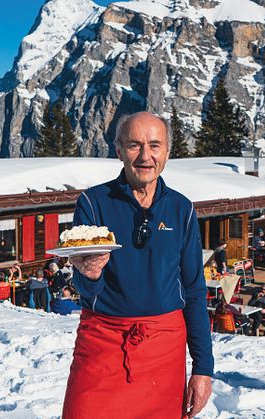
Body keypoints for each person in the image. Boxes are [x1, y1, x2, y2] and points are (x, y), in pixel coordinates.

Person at [62, 112, 212, 418]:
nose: (146, 156)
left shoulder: (181, 208)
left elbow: (194, 291)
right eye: (134, 145)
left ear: (168, 152)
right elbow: (86, 292)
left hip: (164, 349)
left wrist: (203, 368)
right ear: (118, 150)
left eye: (155, 145)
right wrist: (89, 275)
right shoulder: (93, 203)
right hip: (103, 341)